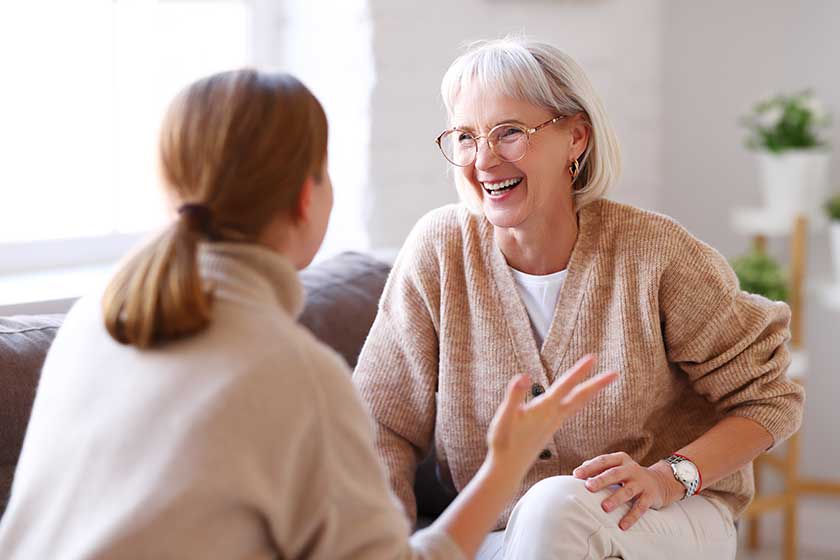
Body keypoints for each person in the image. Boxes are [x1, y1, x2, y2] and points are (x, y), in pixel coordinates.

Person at [0, 69, 616, 559]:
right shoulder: (292, 374)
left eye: (509, 131)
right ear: (305, 195)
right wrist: (506, 466)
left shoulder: (93, 324)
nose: (483, 158)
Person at [353, 37, 805, 559]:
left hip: (662, 520)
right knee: (540, 518)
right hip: (506, 536)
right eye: (465, 137)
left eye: (509, 133)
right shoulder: (439, 251)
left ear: (575, 138)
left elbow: (769, 399)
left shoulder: (654, 254)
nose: (484, 159)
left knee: (557, 505)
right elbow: (376, 427)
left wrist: (666, 478)